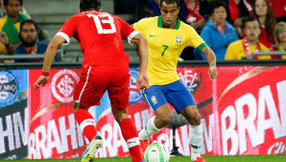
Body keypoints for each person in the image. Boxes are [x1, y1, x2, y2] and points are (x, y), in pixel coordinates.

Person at [33, 0, 149, 162]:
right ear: (100, 9)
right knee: (122, 113)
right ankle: (138, 158)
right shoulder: (114, 19)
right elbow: (142, 39)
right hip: (121, 68)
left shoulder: (77, 18)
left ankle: (94, 138)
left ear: (81, 10)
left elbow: (54, 44)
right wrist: (142, 72)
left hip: (96, 67)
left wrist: (45, 72)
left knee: (80, 107)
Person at [132, 0, 218, 161]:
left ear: (178, 10)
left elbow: (207, 51)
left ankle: (196, 157)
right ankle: (142, 136)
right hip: (151, 81)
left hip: (172, 80)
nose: (168, 16)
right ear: (160, 10)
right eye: (165, 11)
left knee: (195, 117)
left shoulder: (186, 30)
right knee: (165, 117)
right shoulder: (145, 24)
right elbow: (124, 31)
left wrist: (212, 65)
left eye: (172, 11)